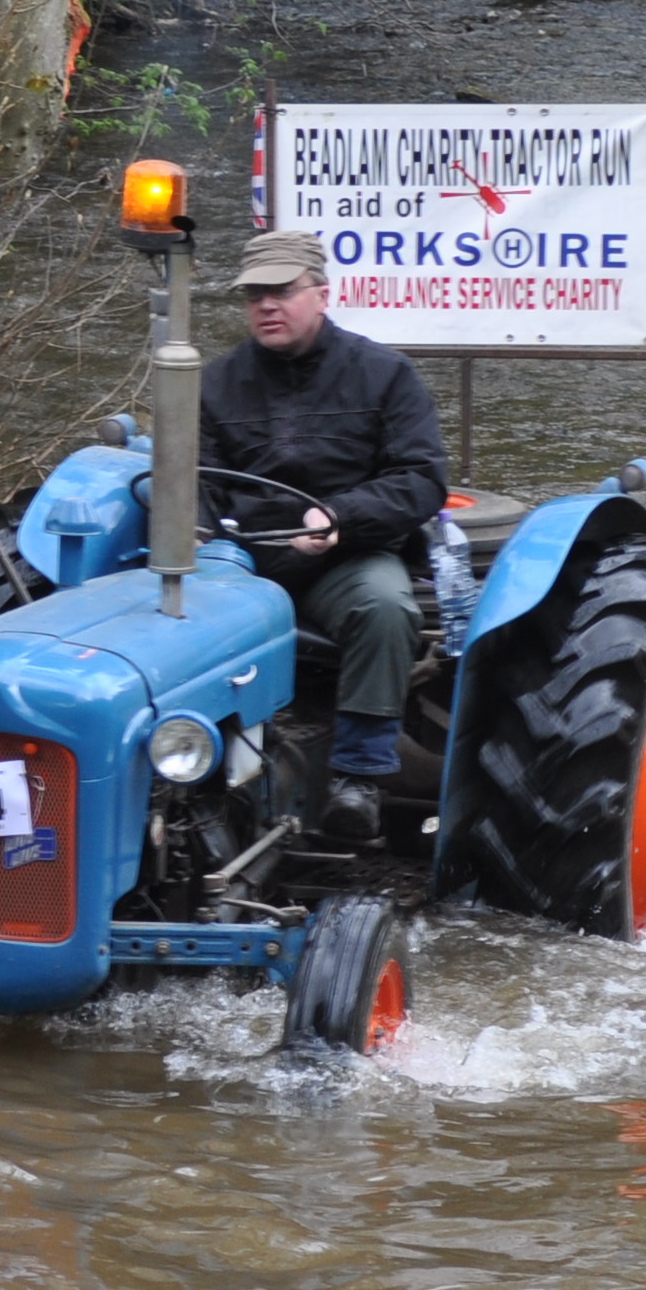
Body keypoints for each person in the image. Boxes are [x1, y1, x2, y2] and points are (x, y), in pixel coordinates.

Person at [199, 230, 447, 844]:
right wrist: (218, 548)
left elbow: (422, 480)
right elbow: (191, 485)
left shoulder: (385, 375)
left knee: (387, 606)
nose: (266, 306)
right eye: (254, 294)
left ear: (322, 294)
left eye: (281, 291)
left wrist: (340, 517)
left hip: (346, 557)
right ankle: (188, 773)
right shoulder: (215, 383)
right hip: (243, 562)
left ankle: (358, 777)